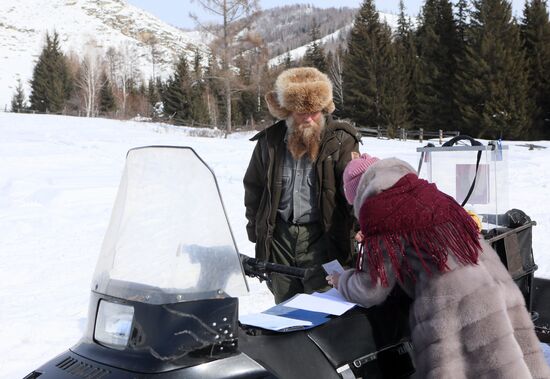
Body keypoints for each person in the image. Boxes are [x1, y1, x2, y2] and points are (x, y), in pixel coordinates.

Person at [327, 155, 550, 378]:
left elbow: (371, 288)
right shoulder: (424, 192)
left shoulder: (379, 210)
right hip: (495, 285)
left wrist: (342, 280)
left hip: (456, 306)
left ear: (357, 193)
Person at [243, 67, 360, 304]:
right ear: (287, 110)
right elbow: (254, 187)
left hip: (324, 238)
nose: (308, 118)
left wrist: (361, 223)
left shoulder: (341, 141)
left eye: (314, 112)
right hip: (280, 240)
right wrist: (255, 227)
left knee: (325, 310)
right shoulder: (269, 142)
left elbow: (356, 189)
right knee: (285, 308)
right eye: (300, 112)